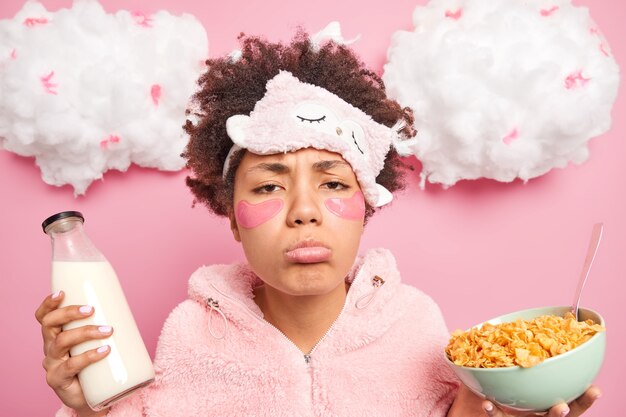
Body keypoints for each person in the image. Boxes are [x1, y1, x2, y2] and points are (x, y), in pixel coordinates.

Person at [35, 31, 601, 417]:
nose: (304, 210)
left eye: (332, 183)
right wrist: (87, 410)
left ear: (367, 204)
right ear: (232, 216)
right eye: (268, 186)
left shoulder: (417, 327)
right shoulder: (189, 335)